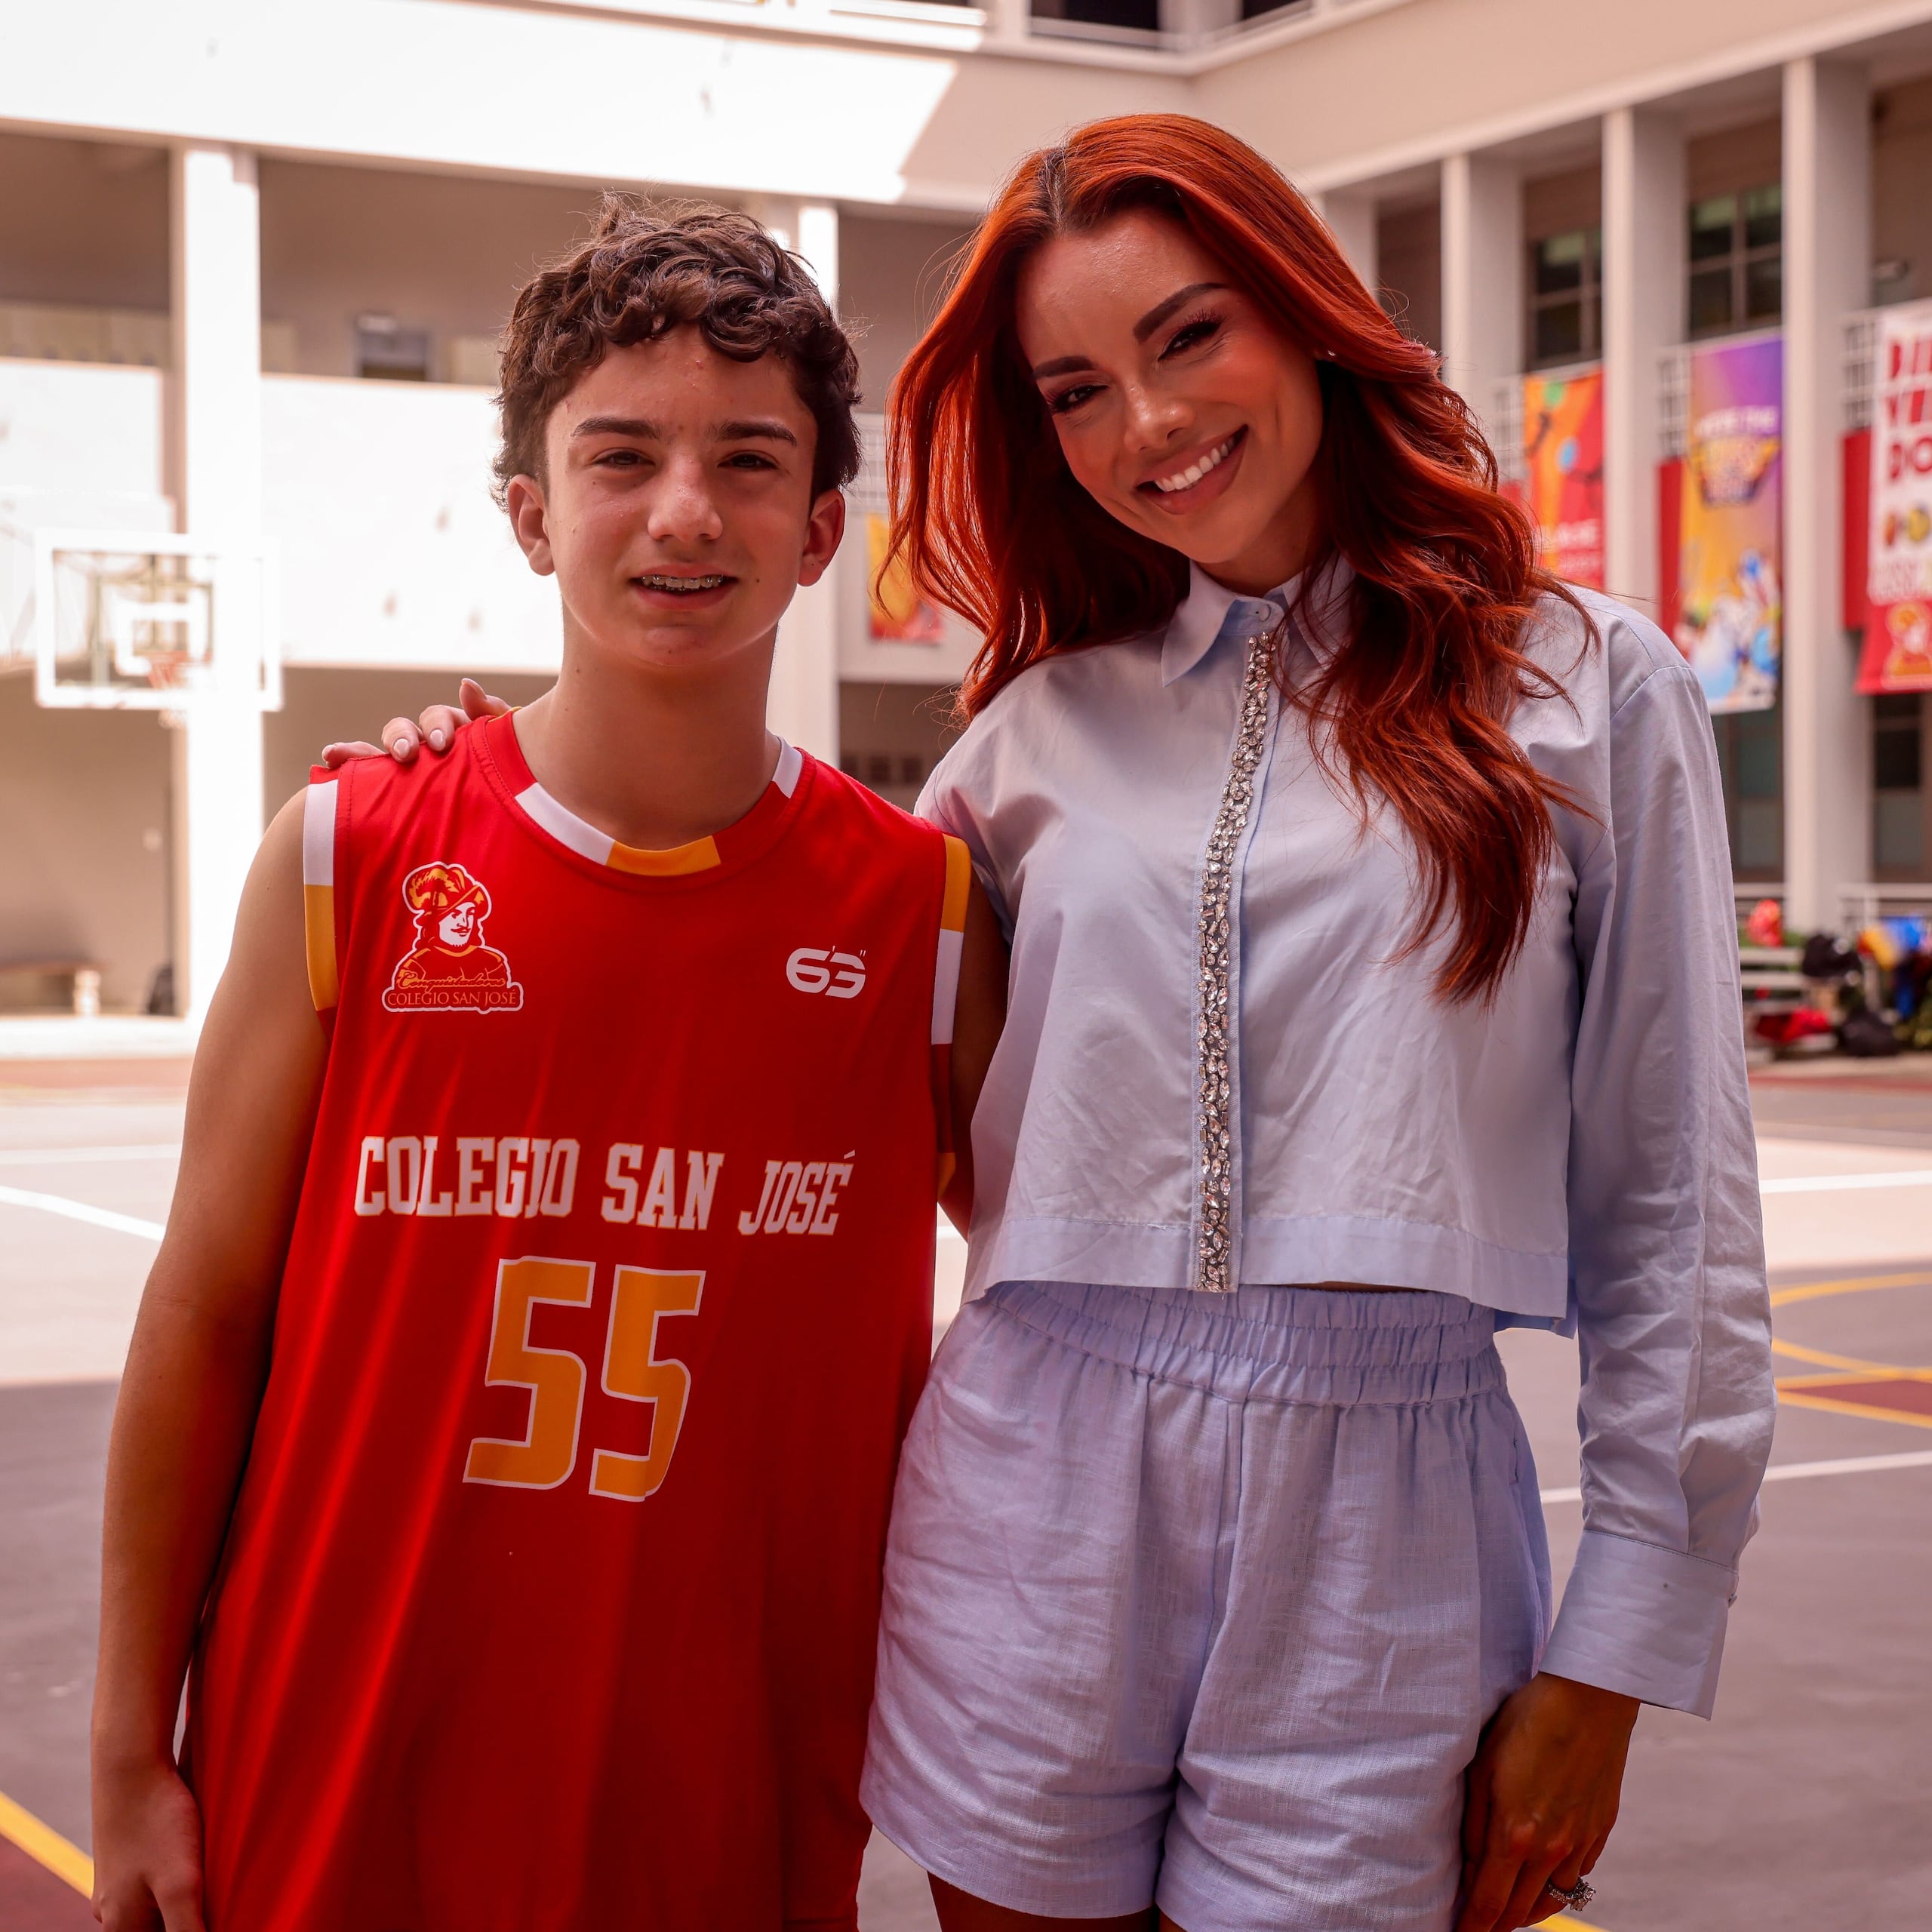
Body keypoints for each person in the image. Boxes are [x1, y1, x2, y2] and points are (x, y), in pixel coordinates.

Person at [361, 117, 1776, 1932]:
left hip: (1389, 1517)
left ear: (1309, 321)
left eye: (1188, 338)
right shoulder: (1021, 745)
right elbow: (738, 915)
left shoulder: (1581, 685)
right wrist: (461, 776)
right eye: (1076, 390)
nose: (1149, 426)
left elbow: (1675, 1203)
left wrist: (1618, 1646)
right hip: (1028, 1481)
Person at [88, 200, 1002, 1932]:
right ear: (530, 514)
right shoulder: (350, 851)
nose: (682, 511)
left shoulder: (926, 914)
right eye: (620, 456)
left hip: (721, 1788)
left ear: (821, 531)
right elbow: (200, 1314)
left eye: (748, 461)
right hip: (336, 1762)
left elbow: (1057, 1305)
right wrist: (132, 1745)